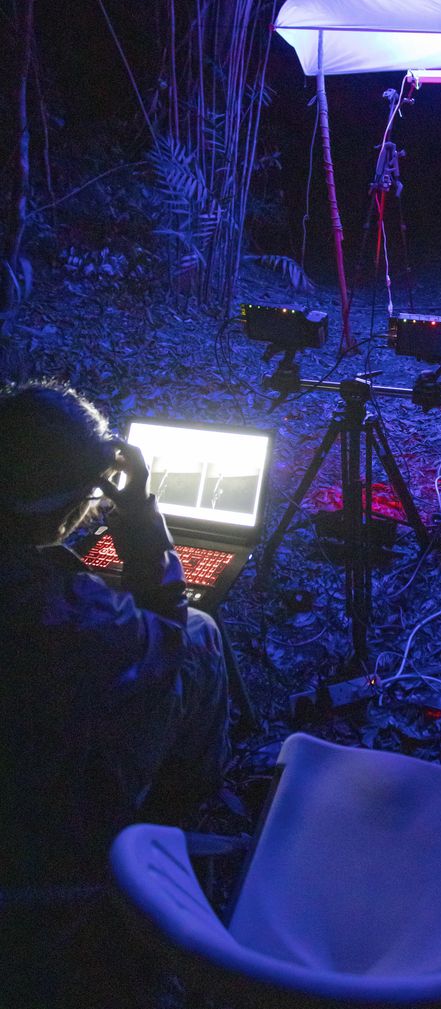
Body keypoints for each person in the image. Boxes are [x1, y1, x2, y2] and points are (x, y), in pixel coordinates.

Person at [0, 380, 230, 1002]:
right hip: (41, 809)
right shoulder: (72, 617)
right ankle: (175, 810)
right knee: (201, 635)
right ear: (66, 505)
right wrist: (147, 537)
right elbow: (165, 637)